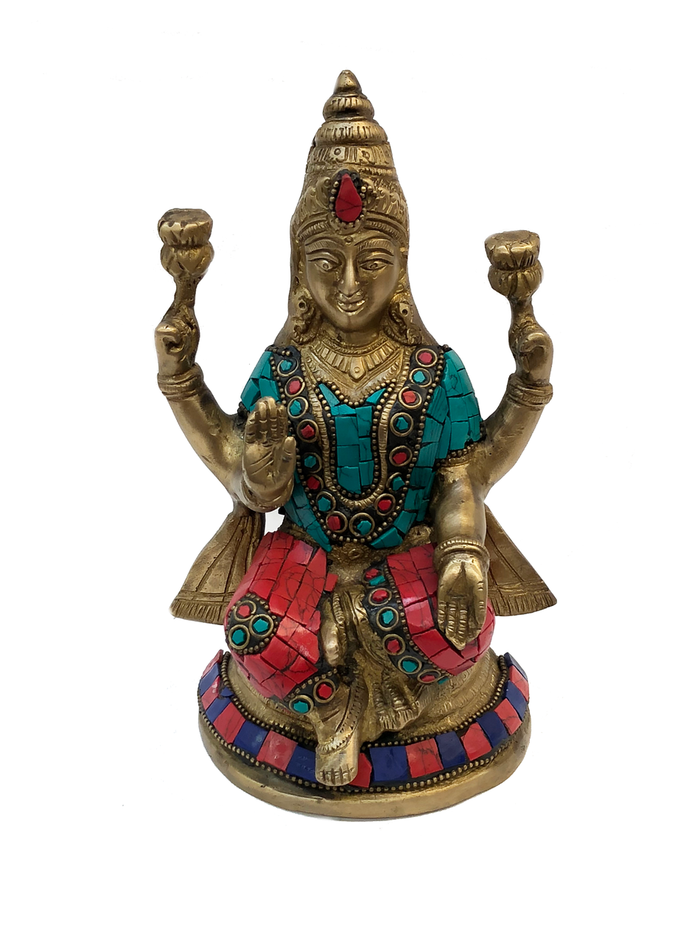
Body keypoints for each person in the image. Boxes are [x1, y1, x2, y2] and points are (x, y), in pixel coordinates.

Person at [156, 72, 554, 789]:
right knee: (252, 630)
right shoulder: (283, 369)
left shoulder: (434, 372)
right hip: (303, 560)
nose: (347, 285)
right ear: (297, 267)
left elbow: (465, 475)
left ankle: (350, 690)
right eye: (325, 263)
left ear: (401, 266)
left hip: (407, 562)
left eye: (371, 262)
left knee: (464, 623)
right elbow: (239, 469)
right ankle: (340, 704)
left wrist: (463, 549)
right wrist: (197, 399)